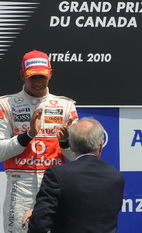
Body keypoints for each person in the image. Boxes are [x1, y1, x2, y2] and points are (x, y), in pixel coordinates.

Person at [0, 50, 79, 233]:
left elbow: (77, 158)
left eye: (42, 77)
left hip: (55, 185)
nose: (37, 82)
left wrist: (66, 143)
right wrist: (27, 135)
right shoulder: (6, 105)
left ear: (50, 74)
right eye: (32, 77)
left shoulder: (66, 106)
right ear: (22, 75)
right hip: (19, 186)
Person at [22, 117, 125, 233]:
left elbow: (40, 223)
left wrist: (36, 214)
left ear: (71, 145)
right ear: (101, 145)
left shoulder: (56, 175)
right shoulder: (116, 177)